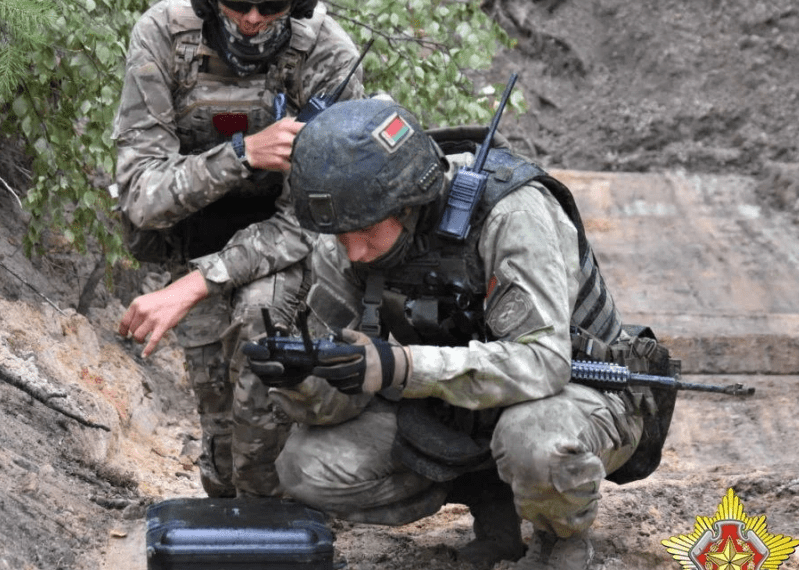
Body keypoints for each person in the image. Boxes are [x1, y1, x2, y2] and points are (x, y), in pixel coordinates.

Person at [246, 98, 675, 569]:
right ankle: (490, 498)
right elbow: (341, 398)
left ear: (409, 203)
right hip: (452, 405)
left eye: (365, 229)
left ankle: (558, 538)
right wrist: (304, 379)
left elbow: (544, 362)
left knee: (535, 443)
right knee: (305, 468)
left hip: (580, 389)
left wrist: (401, 366)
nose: (354, 252)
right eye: (340, 233)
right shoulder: (346, 237)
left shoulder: (513, 213)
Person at [112, 0, 365, 498]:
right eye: (237, 2)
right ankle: (234, 501)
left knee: (260, 326)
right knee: (222, 442)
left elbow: (311, 219)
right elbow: (142, 197)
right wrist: (244, 153)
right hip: (196, 238)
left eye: (270, 5)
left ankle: (267, 514)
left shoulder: (326, 53)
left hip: (289, 248)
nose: (252, 17)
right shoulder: (164, 35)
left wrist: (199, 283)